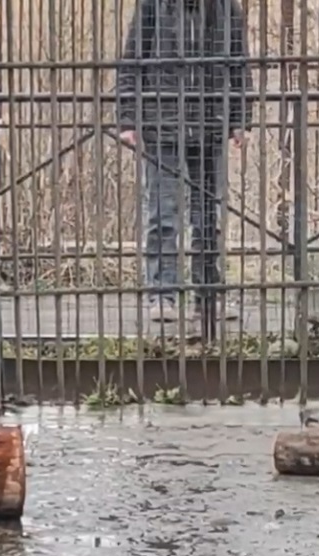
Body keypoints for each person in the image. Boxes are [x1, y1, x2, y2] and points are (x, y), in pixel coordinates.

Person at [116, 0, 253, 325]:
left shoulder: (225, 9)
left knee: (209, 216)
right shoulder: (153, 6)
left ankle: (207, 297)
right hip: (162, 124)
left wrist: (240, 118)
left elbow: (240, 65)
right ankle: (162, 295)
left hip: (210, 124)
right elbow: (132, 62)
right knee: (162, 215)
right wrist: (127, 119)